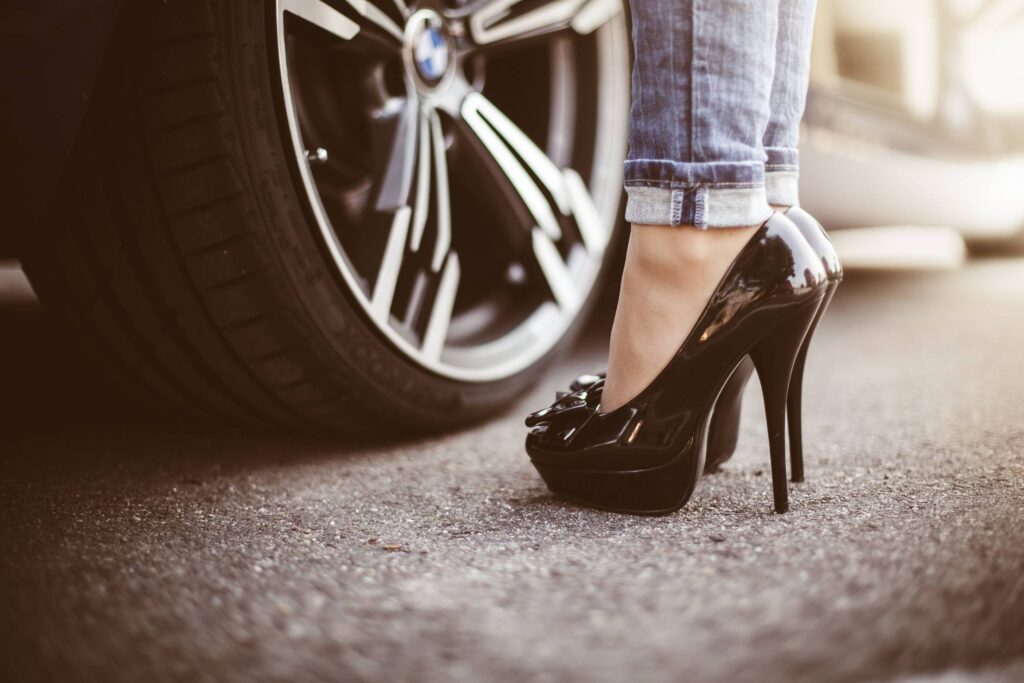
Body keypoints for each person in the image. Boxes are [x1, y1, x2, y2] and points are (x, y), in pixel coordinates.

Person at [524, 0, 842, 515]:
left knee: (705, 213)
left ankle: (696, 234)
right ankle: (764, 204)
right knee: (756, 190)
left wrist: (698, 201)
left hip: (698, 217)